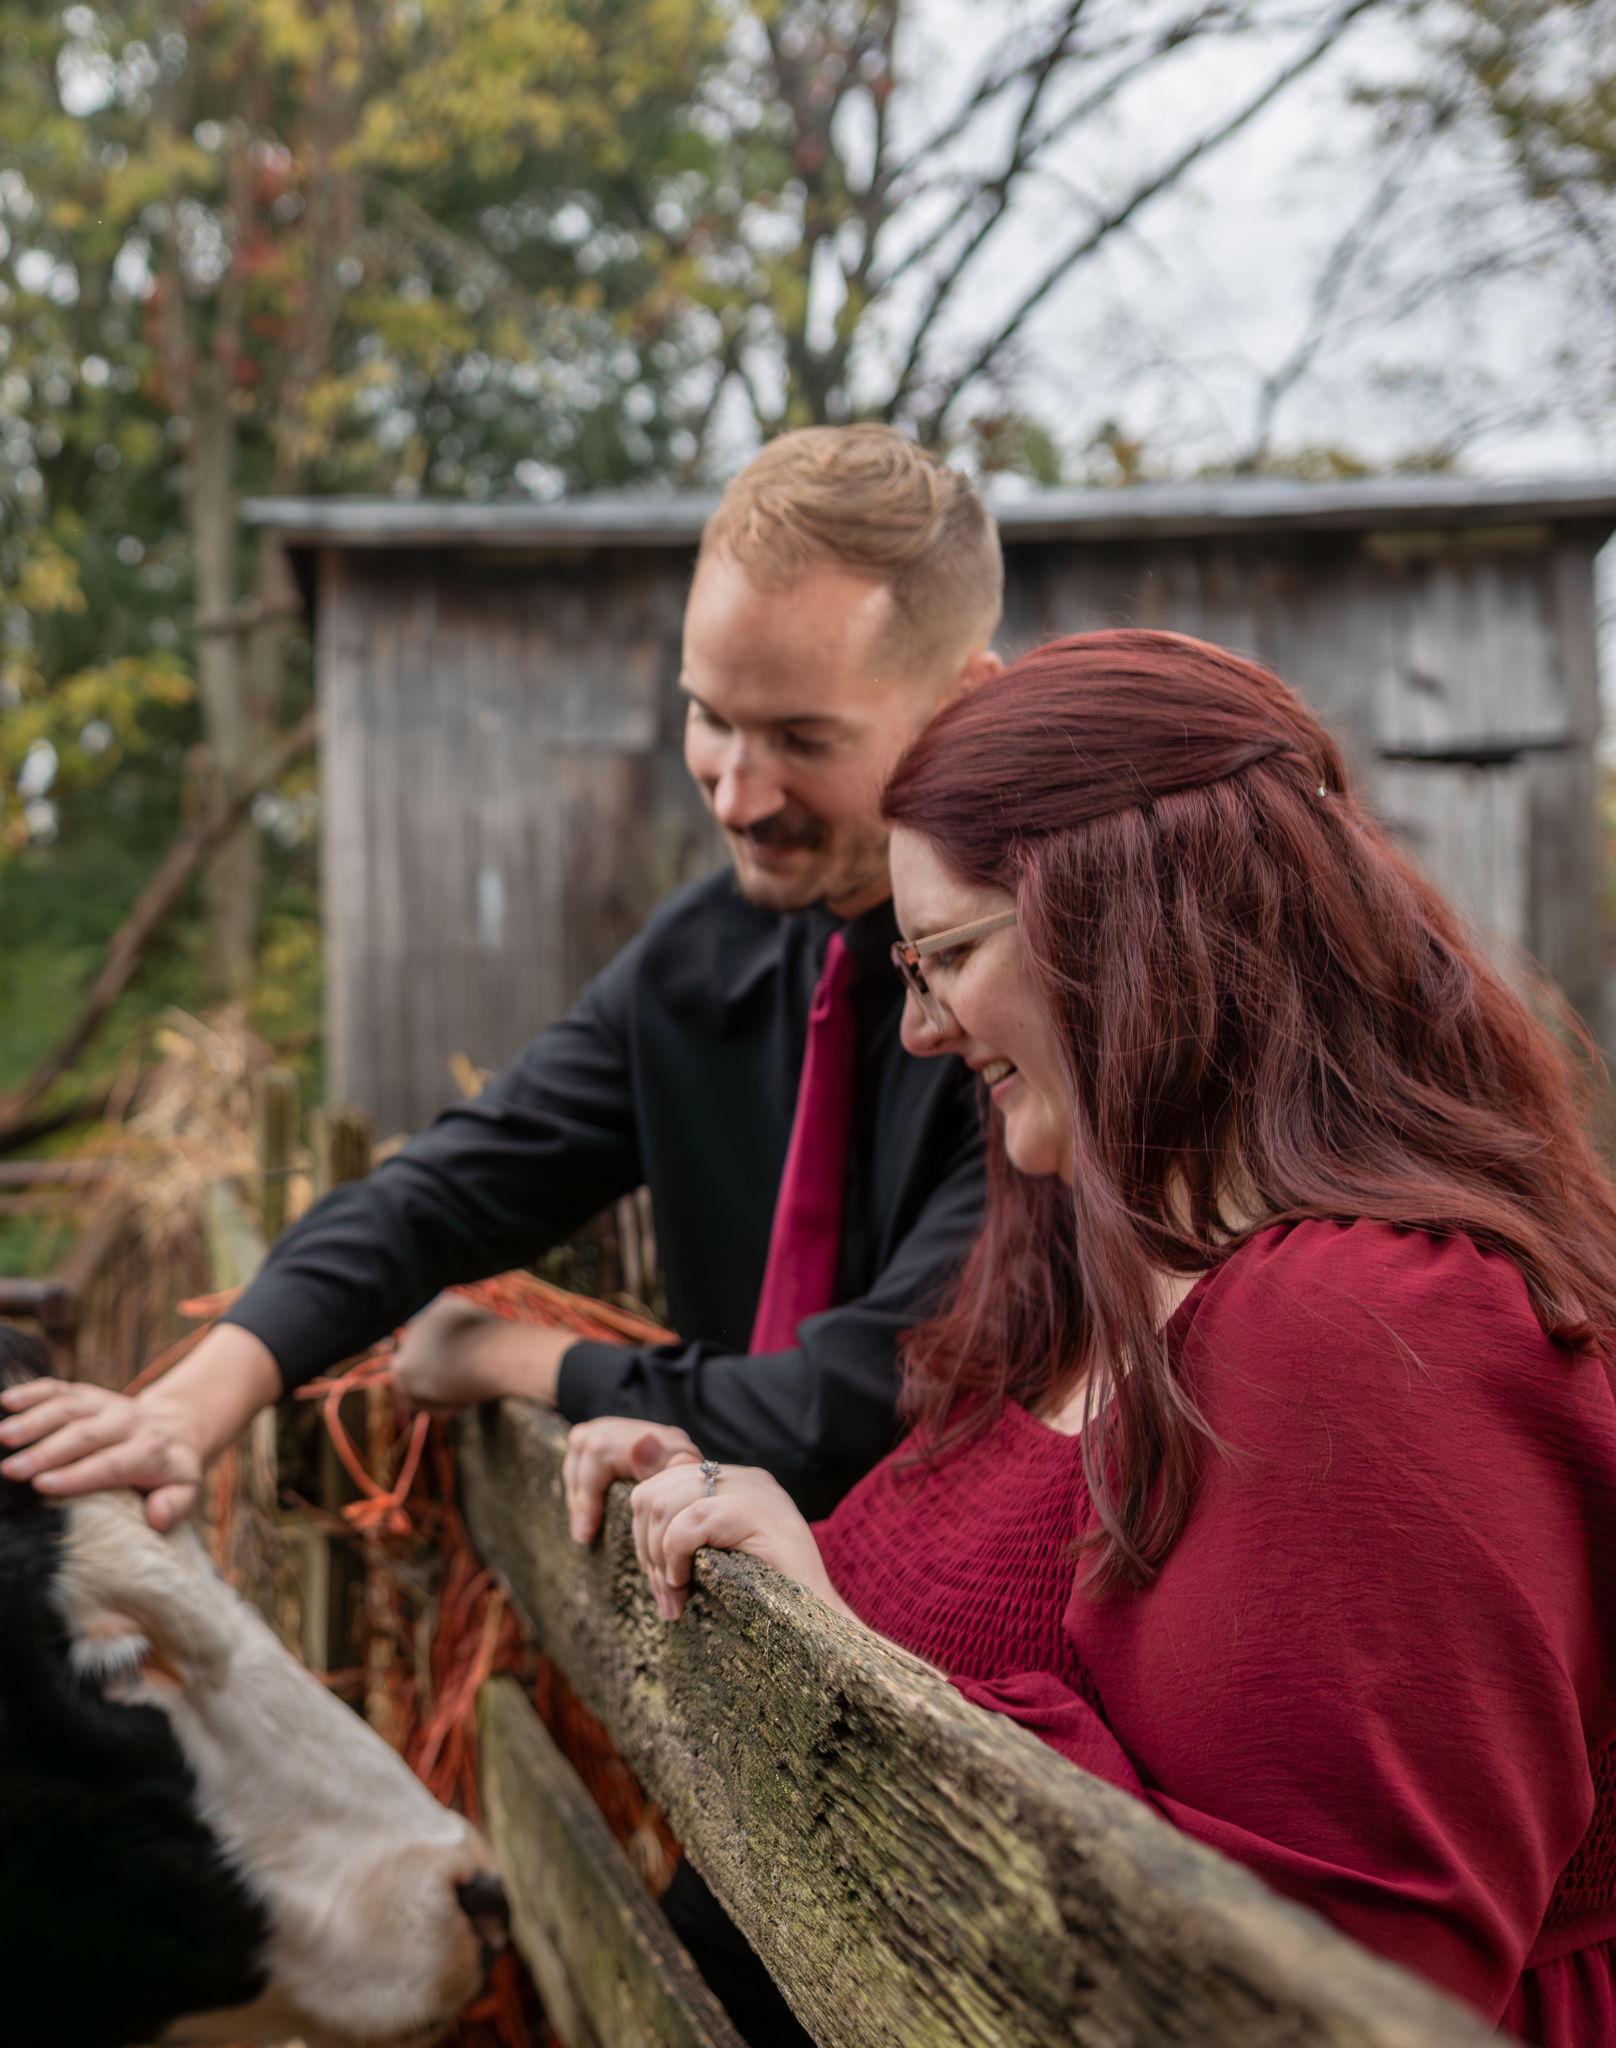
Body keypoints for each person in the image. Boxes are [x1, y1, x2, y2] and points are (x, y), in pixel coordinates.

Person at [572, 629, 1616, 2044]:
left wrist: (858, 1676)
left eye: (946, 957)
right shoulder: (1091, 1273)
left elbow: (1326, 1981)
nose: (924, 1030)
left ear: (1132, 925)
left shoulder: (1366, 1336)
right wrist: (744, 1528)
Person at [0, 426, 1001, 1527]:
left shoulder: (1030, 1015)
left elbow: (847, 1408)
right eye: (710, 717)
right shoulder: (694, 957)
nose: (735, 795)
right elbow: (441, 1190)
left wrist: (509, 1355)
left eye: (803, 739)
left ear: (960, 699)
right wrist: (191, 1402)